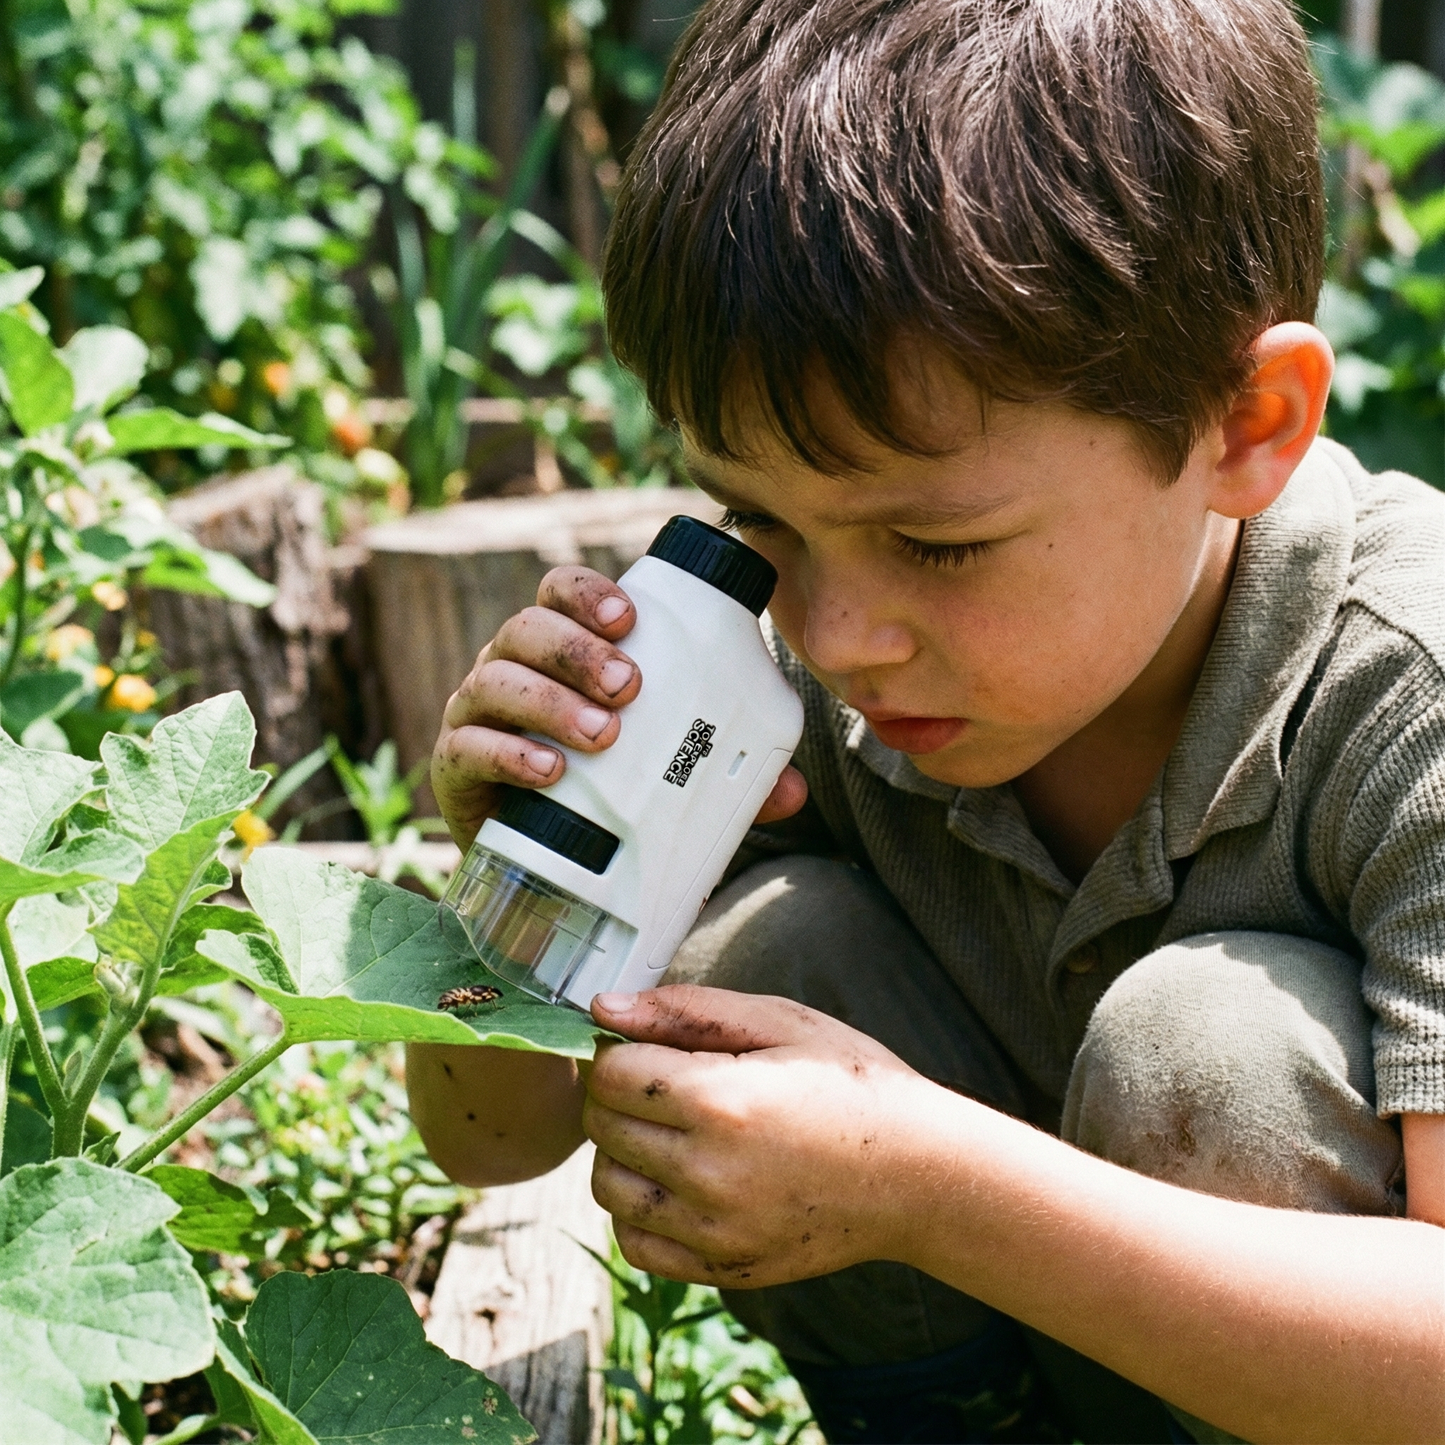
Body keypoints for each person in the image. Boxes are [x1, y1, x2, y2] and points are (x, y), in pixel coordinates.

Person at [406, 2, 1445, 1439]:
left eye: (942, 547)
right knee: (774, 949)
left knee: (1209, 1056)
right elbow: (479, 1136)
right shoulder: (788, 684)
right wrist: (513, 894)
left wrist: (929, 1185)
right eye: (764, 517)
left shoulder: (1414, 699)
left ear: (1247, 425)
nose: (836, 638)